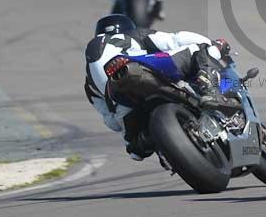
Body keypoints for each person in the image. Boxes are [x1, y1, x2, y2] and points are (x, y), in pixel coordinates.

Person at [84, 14, 239, 161]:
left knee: (135, 148)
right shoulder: (131, 35)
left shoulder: (89, 83)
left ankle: (145, 140)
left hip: (122, 103)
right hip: (138, 68)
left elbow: (111, 123)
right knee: (201, 50)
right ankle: (210, 90)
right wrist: (214, 44)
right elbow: (174, 40)